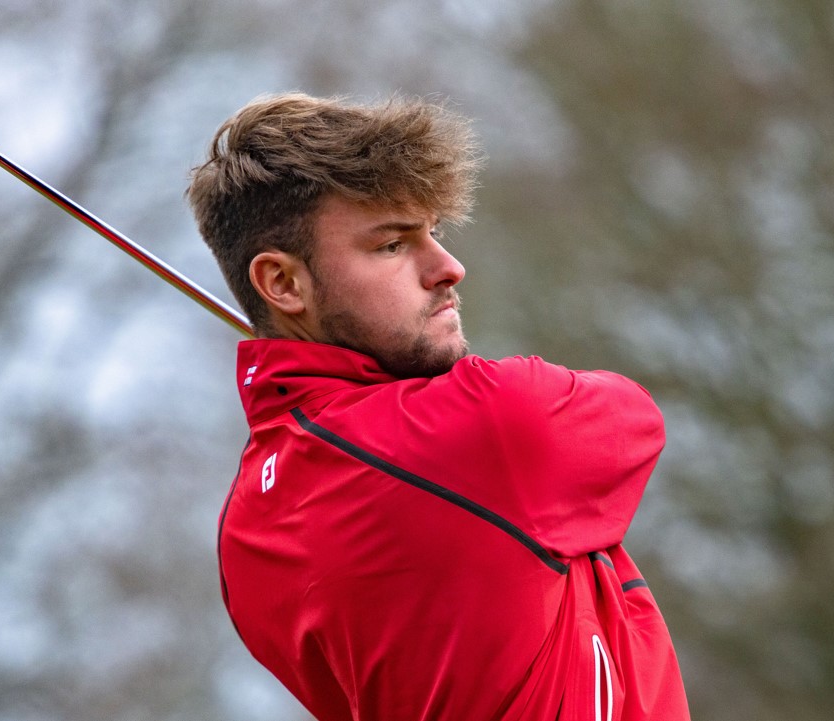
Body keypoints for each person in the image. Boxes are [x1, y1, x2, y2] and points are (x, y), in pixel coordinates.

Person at [187, 92, 691, 721]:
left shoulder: (243, 534)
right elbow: (634, 417)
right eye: (393, 245)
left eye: (434, 233)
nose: (447, 267)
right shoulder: (488, 422)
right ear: (283, 283)